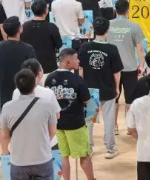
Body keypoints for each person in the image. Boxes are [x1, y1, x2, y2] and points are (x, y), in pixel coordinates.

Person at [0, 67, 59, 180]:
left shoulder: (7, 107)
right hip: (42, 159)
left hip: (18, 161)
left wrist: (6, 153)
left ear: (17, 86)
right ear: (34, 85)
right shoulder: (48, 105)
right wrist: (41, 145)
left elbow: (4, 136)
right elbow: (52, 131)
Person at [45, 49, 94, 180]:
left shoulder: (49, 78)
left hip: (57, 125)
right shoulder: (77, 79)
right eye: (76, 59)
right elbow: (86, 99)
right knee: (84, 155)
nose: (78, 61)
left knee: (64, 156)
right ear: (68, 62)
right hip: (76, 125)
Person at [78, 16, 123, 159]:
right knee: (109, 119)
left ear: (93, 29)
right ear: (107, 30)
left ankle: (88, 148)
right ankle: (110, 148)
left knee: (88, 120)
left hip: (89, 89)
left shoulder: (85, 47)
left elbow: (80, 69)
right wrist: (117, 88)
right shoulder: (112, 49)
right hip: (107, 88)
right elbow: (116, 72)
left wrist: (81, 86)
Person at [107, 0, 144, 127]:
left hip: (112, 68)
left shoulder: (107, 25)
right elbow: (140, 47)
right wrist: (141, 64)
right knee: (130, 99)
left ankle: (114, 126)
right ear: (128, 10)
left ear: (115, 10)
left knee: (113, 98)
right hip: (130, 67)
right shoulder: (134, 26)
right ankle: (130, 126)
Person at [0, 17, 35, 109]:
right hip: (22, 90)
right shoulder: (28, 49)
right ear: (20, 29)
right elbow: (33, 71)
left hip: (2, 92)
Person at [20, 0, 62, 74]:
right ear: (46, 11)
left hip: (29, 67)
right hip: (48, 67)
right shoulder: (52, 27)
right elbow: (59, 45)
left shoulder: (24, 26)